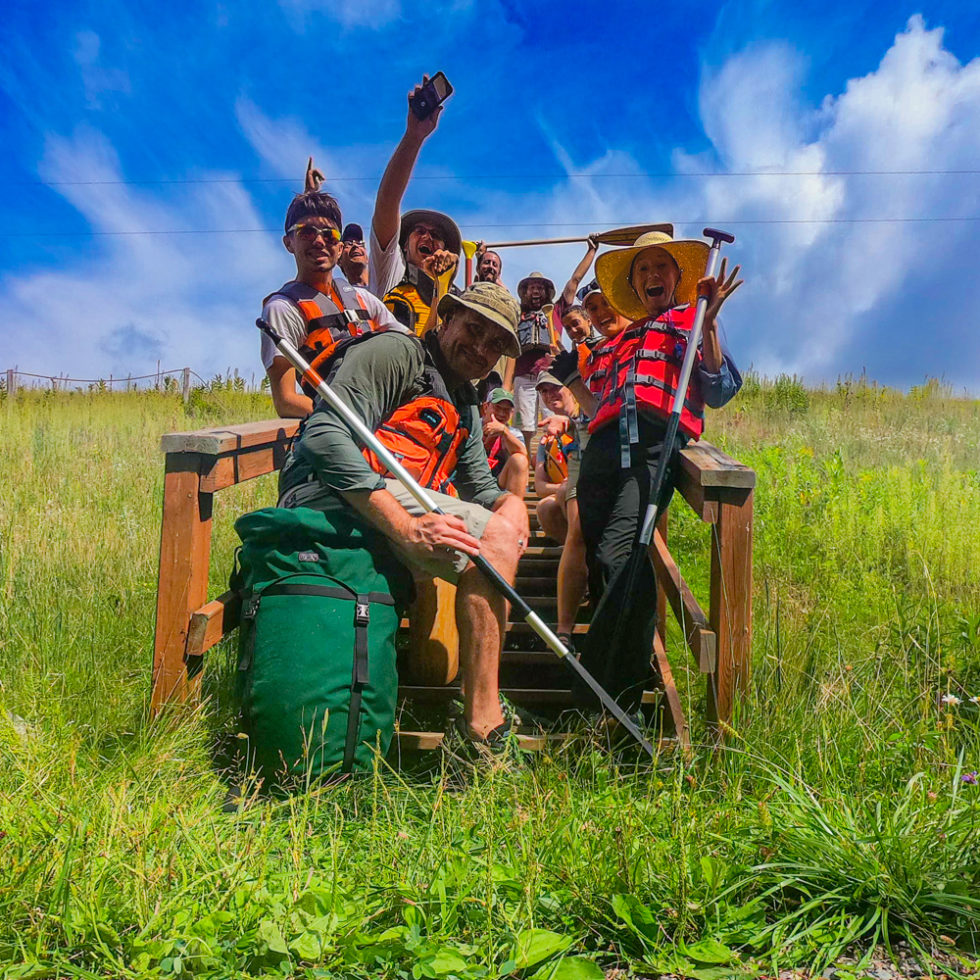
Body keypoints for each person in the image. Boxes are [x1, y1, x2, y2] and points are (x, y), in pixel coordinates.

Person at [277, 282, 530, 748]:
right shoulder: (396, 353)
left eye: (496, 343)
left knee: (502, 529)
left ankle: (467, 700)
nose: (481, 348)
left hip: (385, 502)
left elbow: (479, 487)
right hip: (326, 492)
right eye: (474, 329)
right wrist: (406, 526)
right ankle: (481, 729)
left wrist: (511, 501)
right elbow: (323, 435)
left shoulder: (466, 401)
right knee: (493, 540)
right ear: (446, 319)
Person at [576, 230, 743, 678]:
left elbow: (719, 390)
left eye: (661, 266)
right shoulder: (622, 337)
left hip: (652, 442)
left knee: (621, 554)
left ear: (676, 276)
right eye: (643, 269)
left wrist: (709, 324)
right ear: (635, 285)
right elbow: (596, 390)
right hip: (603, 446)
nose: (652, 275)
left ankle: (615, 681)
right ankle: (618, 675)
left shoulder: (695, 319)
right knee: (598, 559)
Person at [260, 189, 404, 419]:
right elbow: (286, 402)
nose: (319, 241)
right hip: (341, 421)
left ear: (339, 248)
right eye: (307, 232)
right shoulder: (282, 309)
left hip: (389, 411)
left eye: (329, 235)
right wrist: (353, 416)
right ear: (289, 243)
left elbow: (407, 344)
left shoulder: (364, 299)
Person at [369, 79, 461, 335]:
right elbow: (387, 203)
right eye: (419, 231)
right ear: (403, 247)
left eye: (437, 235)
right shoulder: (391, 272)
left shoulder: (459, 301)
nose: (428, 237)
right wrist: (414, 136)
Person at [532, 373, 582, 544]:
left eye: (555, 388)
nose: (549, 394)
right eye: (544, 391)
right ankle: (573, 549)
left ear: (570, 388)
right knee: (545, 508)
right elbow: (539, 486)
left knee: (565, 492)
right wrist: (562, 487)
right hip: (564, 494)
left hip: (593, 489)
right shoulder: (547, 440)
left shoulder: (586, 417)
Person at [482, 389, 529, 498]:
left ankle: (514, 506)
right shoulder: (473, 426)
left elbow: (523, 453)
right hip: (473, 478)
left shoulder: (514, 433)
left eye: (507, 410)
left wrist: (504, 432)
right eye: (497, 408)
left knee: (519, 460)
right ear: (485, 407)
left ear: (512, 413)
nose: (501, 414)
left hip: (499, 481)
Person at [339, 223, 369, 287]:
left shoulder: (382, 282)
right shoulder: (341, 292)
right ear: (339, 261)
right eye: (348, 243)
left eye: (359, 243)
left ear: (367, 258)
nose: (355, 245)